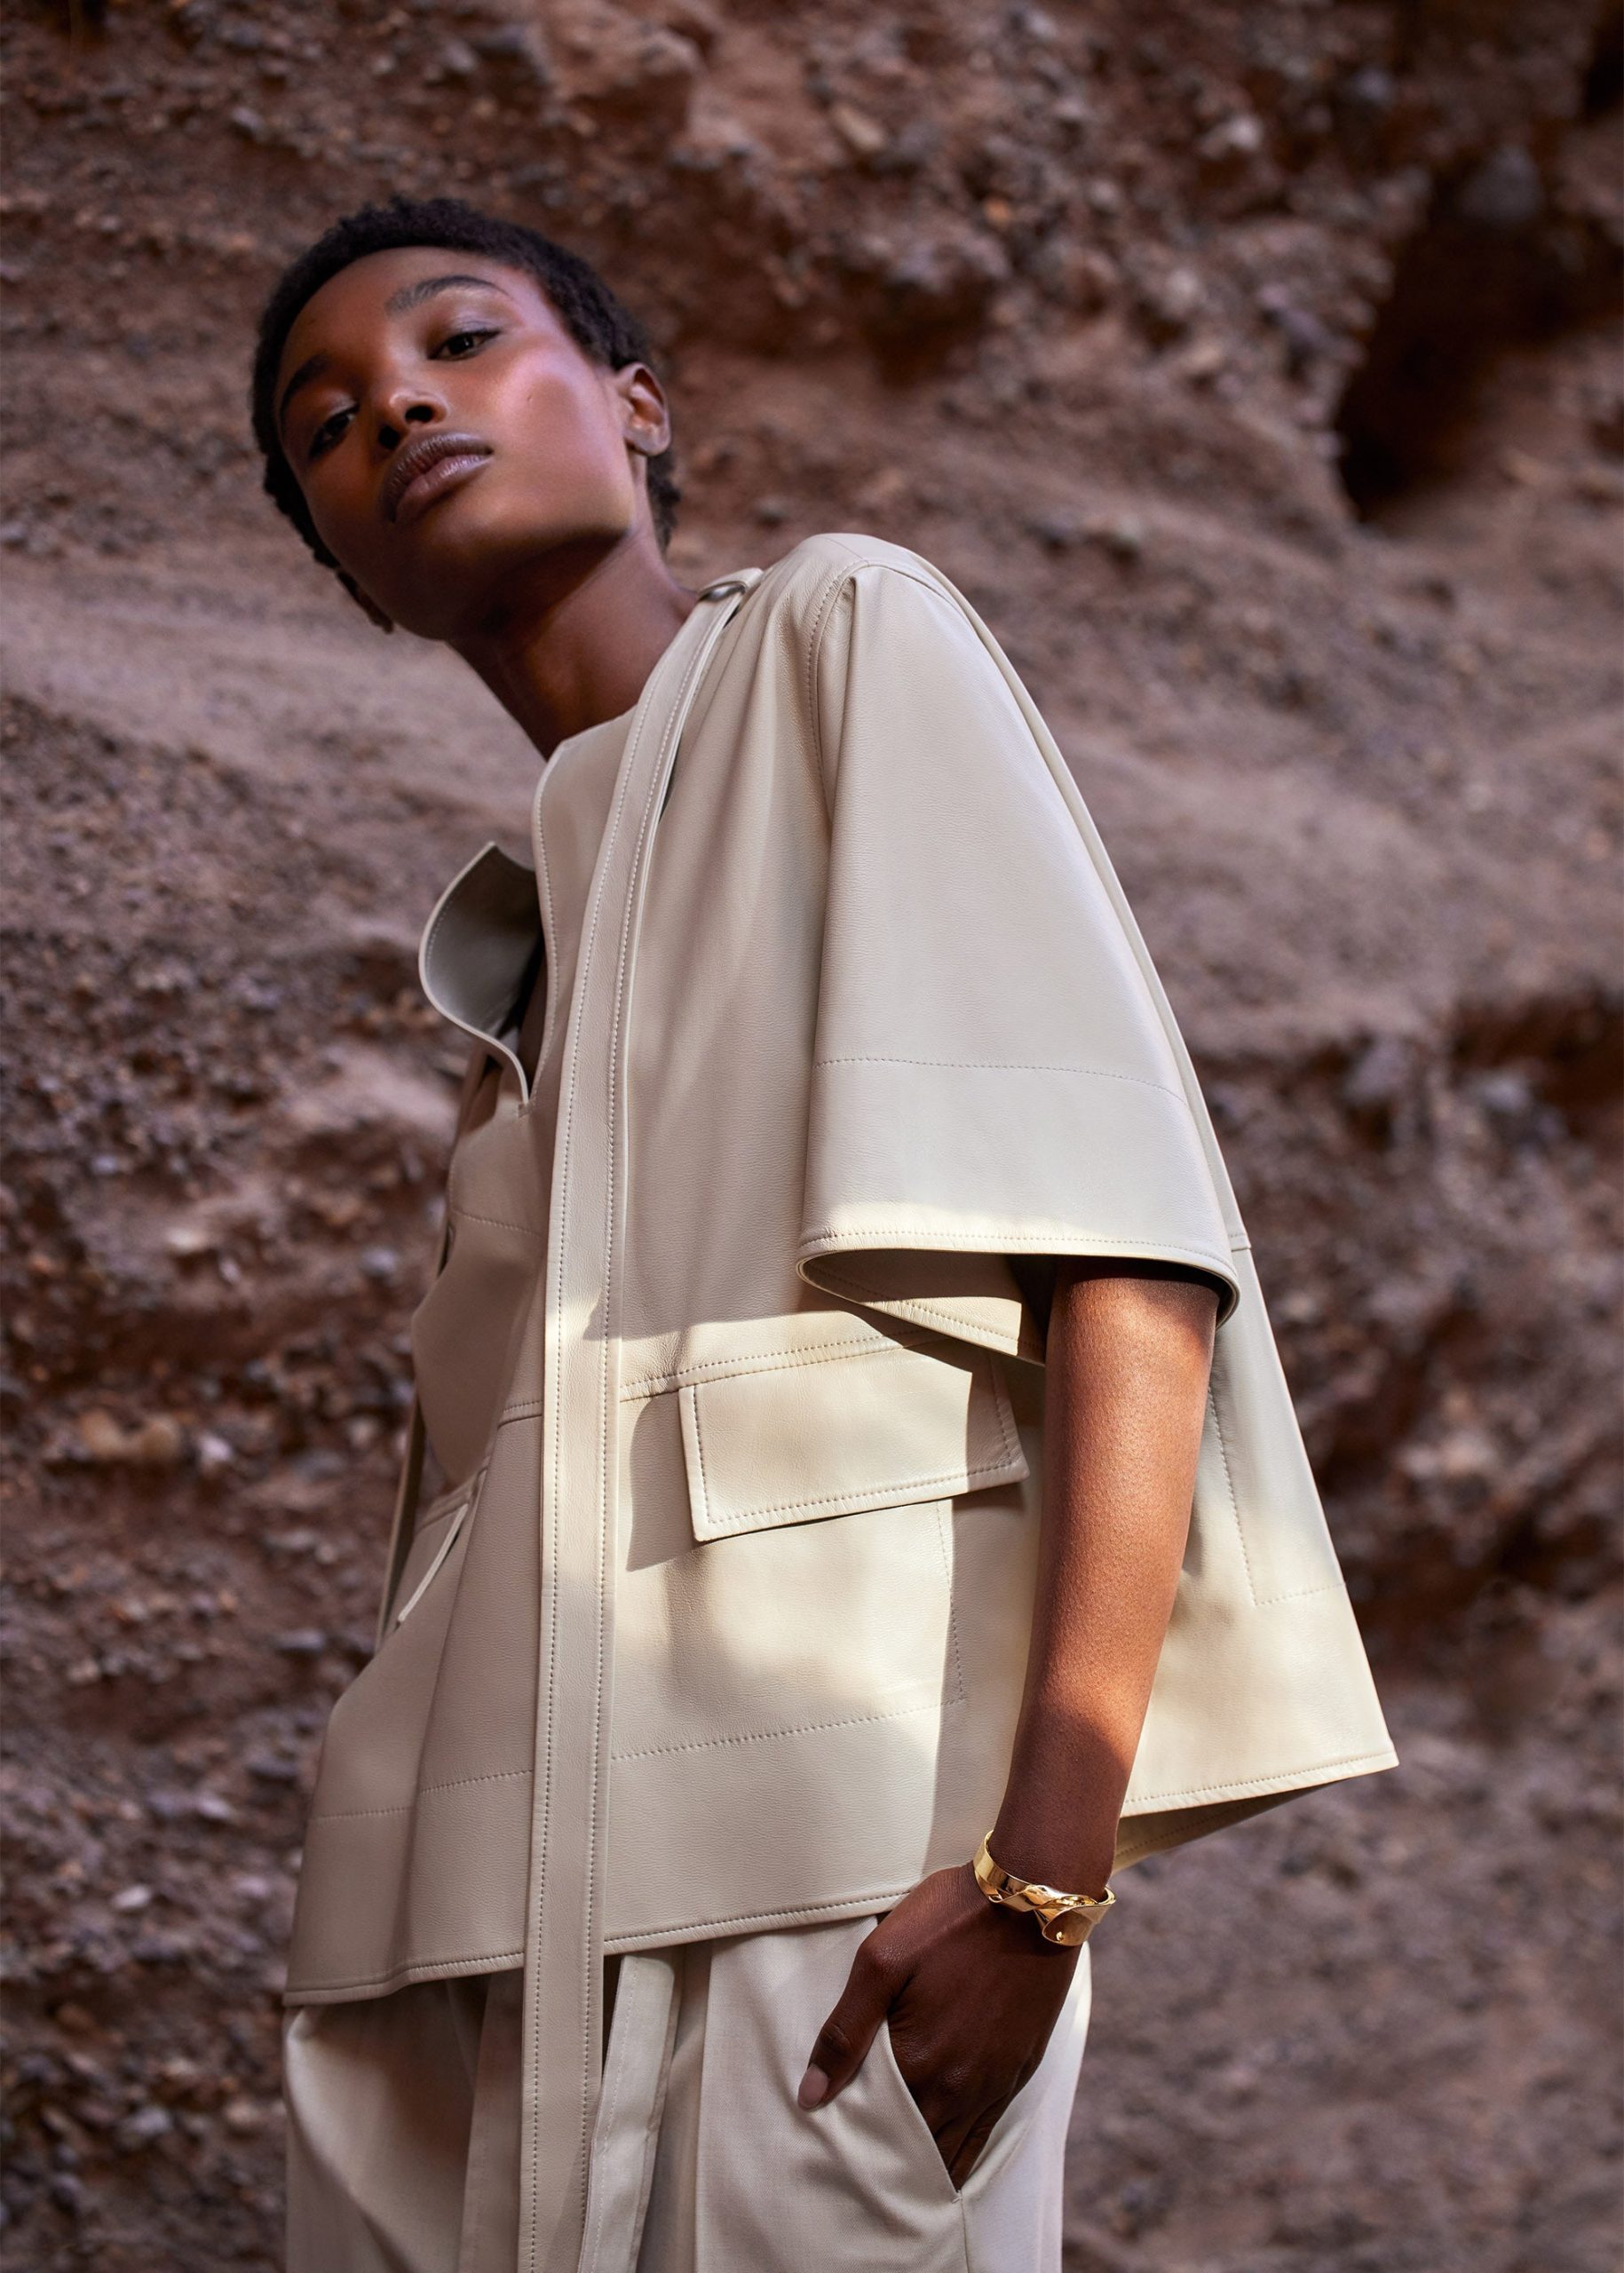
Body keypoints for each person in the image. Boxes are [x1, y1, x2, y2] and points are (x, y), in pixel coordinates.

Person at [249, 196, 1396, 2273]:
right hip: (455, 1938)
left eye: (458, 340)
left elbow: (1123, 1255)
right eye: (327, 423)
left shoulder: (841, 633)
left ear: (635, 403)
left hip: (825, 1882)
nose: (395, 403)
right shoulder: (519, 968)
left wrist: (1042, 1879)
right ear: (346, 571)